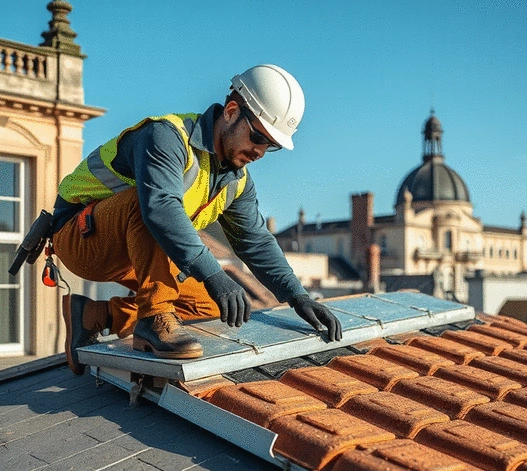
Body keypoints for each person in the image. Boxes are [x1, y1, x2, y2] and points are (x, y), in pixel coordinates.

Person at [51, 64, 342, 375]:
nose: (260, 150)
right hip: (81, 235)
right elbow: (160, 208)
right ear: (231, 111)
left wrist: (297, 296)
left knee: (217, 308)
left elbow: (255, 241)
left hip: (141, 250)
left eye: (270, 145)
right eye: (257, 135)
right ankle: (155, 316)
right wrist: (213, 274)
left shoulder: (236, 181)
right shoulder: (166, 137)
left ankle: (98, 314)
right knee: (151, 201)